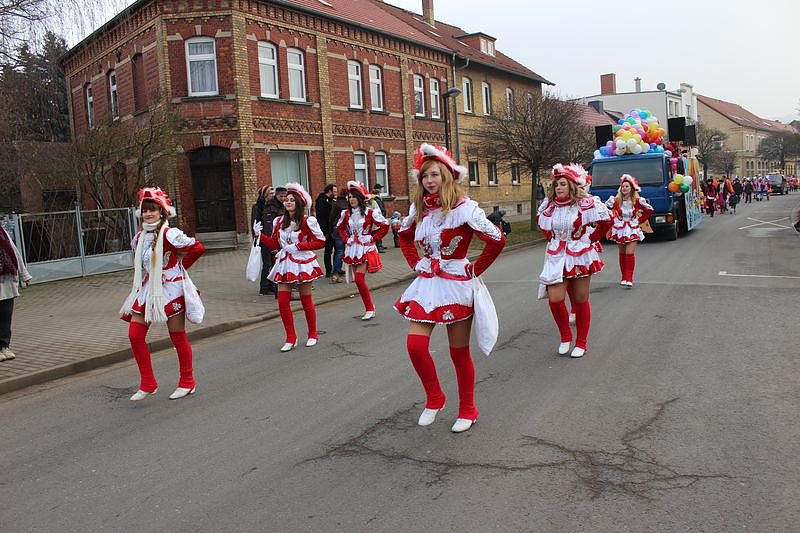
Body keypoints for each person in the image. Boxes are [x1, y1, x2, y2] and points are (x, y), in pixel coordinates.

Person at [394, 144, 506, 433]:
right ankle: (435, 397)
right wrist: (416, 263)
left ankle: (468, 408)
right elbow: (404, 238)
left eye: (434, 175)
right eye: (424, 176)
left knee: (459, 352)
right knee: (415, 345)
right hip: (427, 284)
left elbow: (497, 240)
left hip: (456, 284)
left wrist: (475, 268)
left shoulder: (465, 209)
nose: (429, 181)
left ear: (446, 176)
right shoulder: (418, 210)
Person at [120, 187, 206, 401]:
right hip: (150, 289)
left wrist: (179, 268)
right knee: (135, 335)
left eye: (153, 210)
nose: (149, 214)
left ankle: (187, 382)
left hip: (171, 288)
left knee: (177, 336)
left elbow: (198, 248)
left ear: (162, 212)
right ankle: (148, 383)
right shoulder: (140, 237)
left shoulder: (170, 234)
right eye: (145, 210)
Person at [538, 163, 611, 359]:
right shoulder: (549, 206)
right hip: (557, 256)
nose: (558, 188)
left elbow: (606, 221)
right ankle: (565, 336)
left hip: (579, 254)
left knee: (580, 299)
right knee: (555, 298)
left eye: (562, 184)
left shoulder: (585, 203)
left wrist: (591, 239)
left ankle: (582, 341)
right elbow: (543, 226)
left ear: (571, 185)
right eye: (556, 185)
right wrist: (554, 239)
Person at [254, 182, 325, 352]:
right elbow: (274, 243)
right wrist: (259, 235)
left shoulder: (308, 221)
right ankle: (291, 337)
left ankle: (313, 334)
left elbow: (321, 242)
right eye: (286, 200)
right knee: (283, 301)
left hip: (302, 263)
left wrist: (300, 246)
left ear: (299, 203)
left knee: (306, 299)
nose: (288, 202)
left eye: (292, 200)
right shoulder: (279, 221)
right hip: (285, 263)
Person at [336, 181, 389, 320]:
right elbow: (340, 228)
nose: (351, 199)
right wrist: (346, 239)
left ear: (360, 198)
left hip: (365, 247)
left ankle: (370, 308)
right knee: (358, 281)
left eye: (354, 196)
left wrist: (373, 238)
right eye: (349, 196)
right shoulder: (345, 214)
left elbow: (384, 225)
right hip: (352, 248)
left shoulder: (370, 212)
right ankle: (368, 307)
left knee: (359, 279)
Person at [605, 174, 653, 288]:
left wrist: (638, 221)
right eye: (623, 186)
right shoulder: (616, 201)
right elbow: (605, 209)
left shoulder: (637, 201)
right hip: (620, 229)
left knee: (629, 253)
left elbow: (649, 211)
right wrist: (614, 220)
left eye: (627, 186)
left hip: (632, 228)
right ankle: (624, 277)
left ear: (631, 188)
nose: (624, 188)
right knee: (622, 253)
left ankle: (629, 278)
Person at [0, 225, 32, 362]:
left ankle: (4, 346)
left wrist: (25, 275)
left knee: (6, 317)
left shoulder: (2, 233)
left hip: (6, 284)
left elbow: (14, 252)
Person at [251, 186, 275, 296]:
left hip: (271, 238)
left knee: (273, 263)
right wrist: (257, 238)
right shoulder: (258, 207)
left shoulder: (272, 206)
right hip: (263, 238)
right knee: (267, 264)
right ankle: (264, 287)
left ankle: (271, 285)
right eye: (270, 193)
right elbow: (255, 223)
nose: (272, 195)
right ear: (265, 195)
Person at [315, 183, 337, 278]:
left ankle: (336, 268)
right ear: (329, 191)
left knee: (337, 249)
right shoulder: (321, 201)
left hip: (334, 229)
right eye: (334, 191)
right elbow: (321, 218)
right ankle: (328, 270)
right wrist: (325, 232)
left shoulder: (332, 200)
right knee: (328, 251)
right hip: (327, 230)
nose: (336, 193)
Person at [328, 188, 348, 283]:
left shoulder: (336, 203)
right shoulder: (349, 204)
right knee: (344, 251)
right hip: (346, 229)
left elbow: (331, 218)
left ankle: (335, 272)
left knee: (339, 251)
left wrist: (331, 229)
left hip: (337, 228)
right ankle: (338, 272)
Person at [371, 183, 388, 252]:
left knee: (377, 231)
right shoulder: (376, 198)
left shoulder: (376, 197)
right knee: (377, 231)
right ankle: (378, 247)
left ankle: (380, 245)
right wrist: (382, 216)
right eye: (380, 188)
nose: (381, 190)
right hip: (379, 217)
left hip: (379, 217)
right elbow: (380, 208)